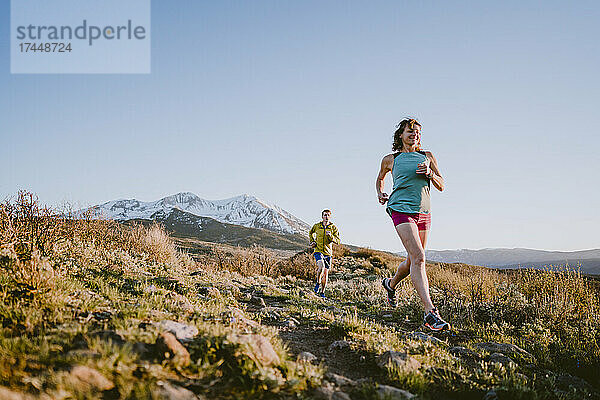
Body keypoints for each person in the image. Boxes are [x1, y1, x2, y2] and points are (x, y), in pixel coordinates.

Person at [375, 118, 450, 331]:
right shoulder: (391, 159)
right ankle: (430, 313)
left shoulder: (428, 156)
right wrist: (380, 193)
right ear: (401, 135)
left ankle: (390, 284)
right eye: (410, 131)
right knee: (419, 257)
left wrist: (430, 174)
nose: (414, 135)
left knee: (412, 259)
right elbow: (380, 178)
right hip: (400, 208)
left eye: (417, 132)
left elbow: (442, 185)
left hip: (424, 213)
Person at [308, 209, 341, 298]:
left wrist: (331, 236)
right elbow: (310, 232)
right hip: (318, 250)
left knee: (325, 274)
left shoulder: (333, 228)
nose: (326, 217)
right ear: (322, 216)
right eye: (325, 215)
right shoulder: (317, 226)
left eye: (328, 215)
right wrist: (312, 242)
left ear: (330, 217)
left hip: (328, 253)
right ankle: (318, 283)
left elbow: (338, 241)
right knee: (321, 267)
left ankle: (322, 292)